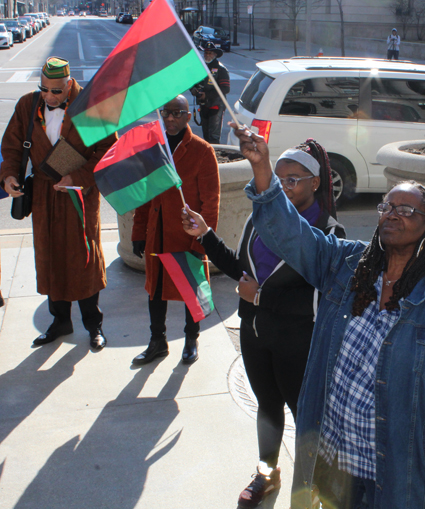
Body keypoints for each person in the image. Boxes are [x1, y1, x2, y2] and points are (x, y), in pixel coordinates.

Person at [231, 125, 425, 509]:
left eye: (406, 210)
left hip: (397, 471)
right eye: (387, 206)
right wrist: (262, 170)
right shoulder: (346, 264)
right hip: (331, 459)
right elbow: (293, 237)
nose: (392, 214)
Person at [182, 139, 346, 508]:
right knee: (267, 405)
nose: (285, 187)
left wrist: (261, 297)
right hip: (255, 336)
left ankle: (315, 485)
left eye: (294, 180)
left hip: (298, 343)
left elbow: (321, 301)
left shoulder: (330, 233)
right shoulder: (261, 219)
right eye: (280, 179)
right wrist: (205, 235)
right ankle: (266, 474)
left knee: (306, 416)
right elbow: (241, 272)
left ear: (316, 183)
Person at [0, 57, 117, 350]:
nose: (49, 96)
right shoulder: (28, 105)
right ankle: (60, 321)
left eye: (56, 91)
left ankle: (94, 325)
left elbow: (107, 152)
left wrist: (76, 176)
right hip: (42, 193)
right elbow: (12, 146)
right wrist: (9, 175)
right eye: (44, 89)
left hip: (79, 194)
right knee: (50, 255)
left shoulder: (91, 107)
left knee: (85, 257)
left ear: (69, 85)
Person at [131, 95, 220, 366]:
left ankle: (191, 339)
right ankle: (157, 341)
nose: (170, 119)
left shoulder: (202, 151)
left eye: (177, 113)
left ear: (189, 116)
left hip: (187, 234)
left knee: (191, 290)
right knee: (155, 290)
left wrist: (203, 239)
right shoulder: (154, 148)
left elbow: (211, 202)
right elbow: (145, 195)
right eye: (166, 112)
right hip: (157, 234)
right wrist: (138, 232)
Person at [190, 42, 230, 144]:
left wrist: (207, 95)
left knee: (214, 137)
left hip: (216, 105)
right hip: (203, 105)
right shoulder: (200, 67)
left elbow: (225, 88)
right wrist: (193, 90)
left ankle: (215, 156)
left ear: (215, 55)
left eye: (210, 53)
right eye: (206, 53)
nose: (207, 55)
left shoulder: (221, 69)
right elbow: (192, 82)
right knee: (206, 135)